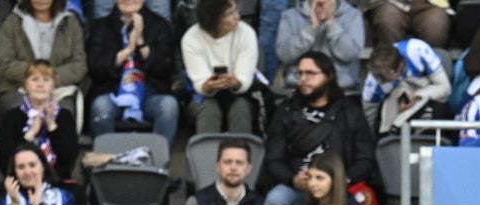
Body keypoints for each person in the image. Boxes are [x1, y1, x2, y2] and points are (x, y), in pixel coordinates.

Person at [262, 50, 376, 205]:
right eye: (300, 73)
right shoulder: (286, 110)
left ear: (329, 76)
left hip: (340, 186)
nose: (303, 79)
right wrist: (293, 179)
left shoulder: (350, 111)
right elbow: (273, 159)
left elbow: (365, 158)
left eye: (310, 73)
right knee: (276, 201)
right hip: (299, 185)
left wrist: (342, 179)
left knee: (360, 200)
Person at [85, 0, 179, 147]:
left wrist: (140, 42)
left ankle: (157, 159)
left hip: (150, 93)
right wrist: (128, 51)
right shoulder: (101, 26)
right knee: (100, 107)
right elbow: (95, 68)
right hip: (113, 92)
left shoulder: (160, 24)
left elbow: (166, 68)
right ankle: (106, 159)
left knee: (169, 106)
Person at [181, 0, 259, 135]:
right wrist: (208, 86)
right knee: (209, 109)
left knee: (240, 107)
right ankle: (206, 149)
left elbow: (245, 77)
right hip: (203, 97)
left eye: (236, 10)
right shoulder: (191, 38)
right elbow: (199, 81)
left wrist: (236, 82)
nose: (237, 17)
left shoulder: (246, 33)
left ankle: (240, 148)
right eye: (229, 14)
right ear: (214, 19)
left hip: (240, 94)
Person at [0, 59, 80, 177]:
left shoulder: (65, 116)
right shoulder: (10, 117)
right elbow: (5, 162)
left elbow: (69, 160)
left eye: (46, 80)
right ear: (26, 84)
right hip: (21, 180)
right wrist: (31, 133)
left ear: (54, 84)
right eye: (34, 79)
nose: (40, 85)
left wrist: (52, 126)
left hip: (56, 181)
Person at [0, 0, 87, 103]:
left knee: (63, 111)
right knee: (19, 110)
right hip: (17, 88)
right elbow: (4, 62)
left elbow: (79, 65)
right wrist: (34, 76)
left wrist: (49, 78)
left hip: (60, 89)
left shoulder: (70, 23)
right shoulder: (12, 22)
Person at [360, 37, 451, 134]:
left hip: (430, 93)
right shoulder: (373, 82)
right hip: (396, 101)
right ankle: (390, 133)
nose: (380, 80)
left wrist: (415, 96)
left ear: (396, 70)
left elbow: (445, 88)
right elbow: (368, 122)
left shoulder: (417, 50)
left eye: (384, 77)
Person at [276, 0, 364, 94]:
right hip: (299, 88)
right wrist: (311, 29)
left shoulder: (353, 15)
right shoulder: (290, 16)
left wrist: (332, 24)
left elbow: (350, 55)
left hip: (341, 89)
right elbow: (284, 55)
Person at [369, 0, 451, 53]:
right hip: (390, 2)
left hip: (431, 4)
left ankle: (431, 67)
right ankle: (390, 66)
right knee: (387, 20)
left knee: (435, 26)